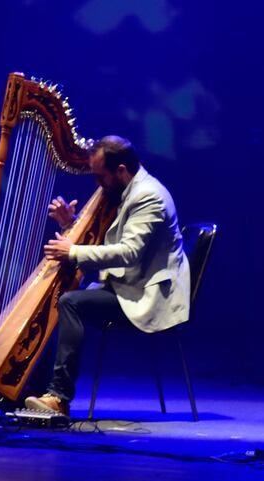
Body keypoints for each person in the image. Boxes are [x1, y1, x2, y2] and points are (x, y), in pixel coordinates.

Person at [24, 135, 190, 416]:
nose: (98, 185)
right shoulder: (129, 192)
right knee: (58, 297)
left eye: (101, 177)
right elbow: (111, 241)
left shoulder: (148, 197)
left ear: (121, 171)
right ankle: (34, 388)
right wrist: (70, 224)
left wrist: (74, 252)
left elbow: (127, 252)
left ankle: (59, 398)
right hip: (128, 285)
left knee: (70, 302)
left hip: (146, 296)